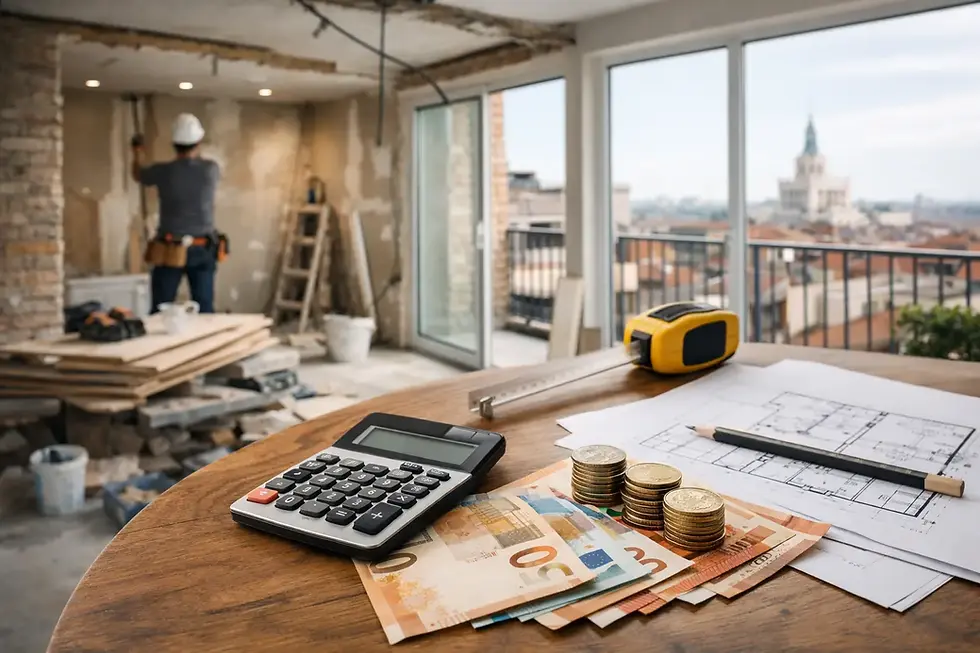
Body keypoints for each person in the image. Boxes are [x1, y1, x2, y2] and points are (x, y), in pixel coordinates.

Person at [131, 113, 221, 314]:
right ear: (198, 142)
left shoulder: (163, 172)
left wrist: (137, 151)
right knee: (204, 309)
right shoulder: (211, 169)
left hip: (170, 247)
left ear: (174, 144)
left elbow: (138, 174)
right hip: (202, 247)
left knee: (161, 308)